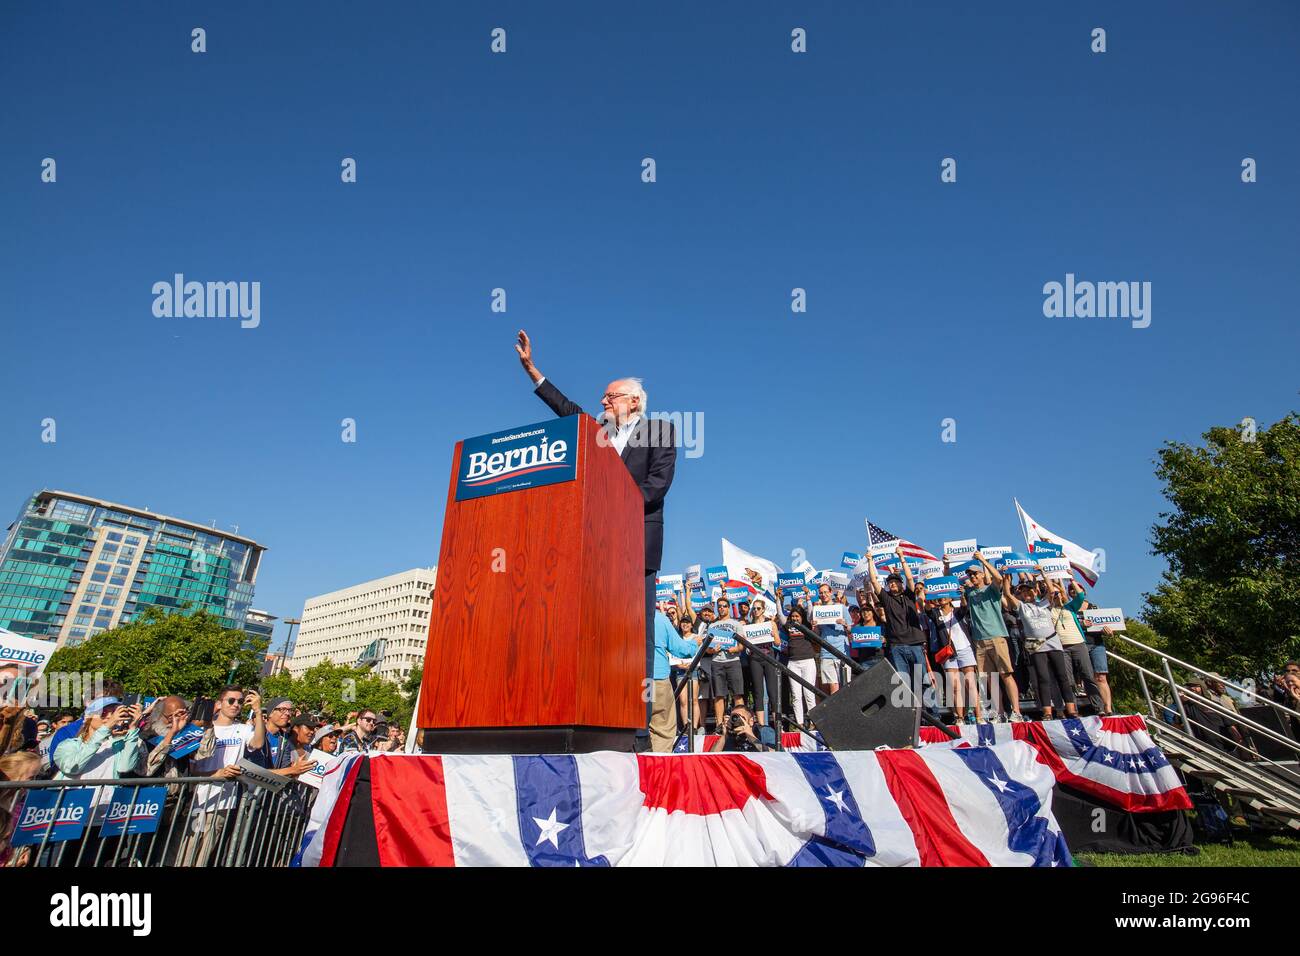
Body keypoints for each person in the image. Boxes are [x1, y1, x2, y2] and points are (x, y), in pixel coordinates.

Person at [515, 329, 677, 737]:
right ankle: (597, 715)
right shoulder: (599, 434)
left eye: (611, 397)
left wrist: (617, 511)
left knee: (634, 632)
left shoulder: (659, 430)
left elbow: (657, 486)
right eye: (604, 398)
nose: (603, 402)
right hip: (596, 548)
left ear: (634, 400)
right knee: (599, 629)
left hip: (636, 544)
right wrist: (535, 372)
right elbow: (568, 410)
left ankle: (638, 729)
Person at [179, 687, 266, 867]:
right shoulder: (203, 728)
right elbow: (191, 768)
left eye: (240, 702)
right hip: (199, 798)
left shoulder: (242, 729)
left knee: (204, 855)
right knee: (187, 853)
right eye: (231, 700)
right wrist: (216, 774)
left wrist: (258, 711)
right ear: (219, 703)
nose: (236, 705)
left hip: (223, 801)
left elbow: (258, 742)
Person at [867, 548, 935, 712]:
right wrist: (870, 560)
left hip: (915, 645)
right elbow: (874, 582)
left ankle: (934, 715)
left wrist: (902, 557)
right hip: (896, 647)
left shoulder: (909, 595)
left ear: (901, 584)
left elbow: (910, 578)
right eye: (890, 582)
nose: (892, 584)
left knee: (923, 681)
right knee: (903, 683)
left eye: (895, 581)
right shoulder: (887, 599)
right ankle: (911, 716)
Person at [959, 551, 1024, 722]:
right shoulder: (970, 593)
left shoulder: (991, 589)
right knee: (990, 679)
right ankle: (999, 712)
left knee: (1006, 674)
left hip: (997, 636)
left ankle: (1016, 711)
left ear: (982, 574)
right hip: (979, 641)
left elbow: (999, 579)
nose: (972, 576)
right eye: (970, 574)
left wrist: (982, 561)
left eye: (975, 573)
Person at [1002, 574, 1077, 720]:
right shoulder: (1022, 607)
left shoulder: (1044, 603)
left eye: (1029, 591)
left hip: (1052, 641)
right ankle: (1047, 712)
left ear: (1035, 591)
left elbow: (1050, 589)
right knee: (1043, 678)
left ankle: (1071, 710)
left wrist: (1042, 572)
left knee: (1062, 676)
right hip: (1034, 643)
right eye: (1023, 592)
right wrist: (1006, 577)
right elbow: (1007, 594)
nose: (1027, 593)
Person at [1049, 580, 1102, 714]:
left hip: (1078, 644)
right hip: (1062, 647)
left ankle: (1099, 707)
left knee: (1088, 676)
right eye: (1053, 594)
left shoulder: (1070, 606)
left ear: (1063, 594)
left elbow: (1080, 596)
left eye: (1058, 593)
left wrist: (1071, 579)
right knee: (1068, 680)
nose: (1056, 596)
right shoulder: (1048, 609)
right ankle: (1073, 711)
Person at [649, 609, 699, 751]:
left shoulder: (621, 613)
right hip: (657, 679)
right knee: (662, 729)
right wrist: (695, 643)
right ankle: (659, 769)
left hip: (630, 680)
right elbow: (681, 650)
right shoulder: (659, 619)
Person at [927, 594, 981, 724]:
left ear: (951, 599)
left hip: (965, 649)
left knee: (971, 684)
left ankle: (979, 716)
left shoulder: (957, 611)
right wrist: (929, 594)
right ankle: (960, 717)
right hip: (948, 654)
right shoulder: (936, 613)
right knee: (955, 686)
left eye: (945, 596)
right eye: (939, 597)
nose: (942, 598)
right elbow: (927, 608)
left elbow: (964, 607)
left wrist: (962, 595)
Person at [703, 598, 746, 726]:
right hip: (717, 662)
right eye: (719, 606)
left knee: (738, 694)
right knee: (719, 695)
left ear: (728, 608)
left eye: (724, 606)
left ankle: (741, 722)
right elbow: (707, 649)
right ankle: (720, 725)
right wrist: (712, 650)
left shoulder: (736, 624)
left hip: (733, 661)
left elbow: (742, 645)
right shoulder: (712, 626)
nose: (721, 608)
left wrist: (736, 648)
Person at [745, 597, 782, 727]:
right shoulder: (748, 626)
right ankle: (761, 725)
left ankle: (777, 724)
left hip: (769, 658)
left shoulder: (770, 623)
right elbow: (745, 646)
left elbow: (778, 643)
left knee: (773, 691)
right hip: (755, 659)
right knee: (758, 692)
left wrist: (774, 634)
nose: (755, 610)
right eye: (754, 608)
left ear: (763, 610)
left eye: (758, 608)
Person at [811, 583, 854, 695]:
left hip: (842, 652)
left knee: (846, 686)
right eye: (821, 593)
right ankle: (837, 712)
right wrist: (814, 627)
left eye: (825, 592)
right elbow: (817, 634)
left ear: (830, 593)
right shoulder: (817, 611)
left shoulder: (841, 608)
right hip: (826, 653)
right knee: (833, 688)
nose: (823, 594)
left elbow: (851, 629)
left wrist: (844, 624)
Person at [781, 605, 819, 728]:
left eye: (797, 616)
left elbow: (810, 613)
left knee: (809, 693)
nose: (795, 618)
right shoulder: (789, 627)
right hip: (793, 663)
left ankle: (813, 722)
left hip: (808, 661)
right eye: (793, 616)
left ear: (802, 617)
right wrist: (777, 600)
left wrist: (808, 599)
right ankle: (800, 723)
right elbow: (781, 616)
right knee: (796, 695)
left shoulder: (807, 626)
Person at [708, 704, 772, 753]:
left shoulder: (763, 731)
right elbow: (711, 758)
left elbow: (776, 755)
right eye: (733, 717)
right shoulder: (731, 734)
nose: (737, 721)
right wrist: (725, 735)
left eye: (741, 718)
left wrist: (751, 736)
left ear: (751, 721)